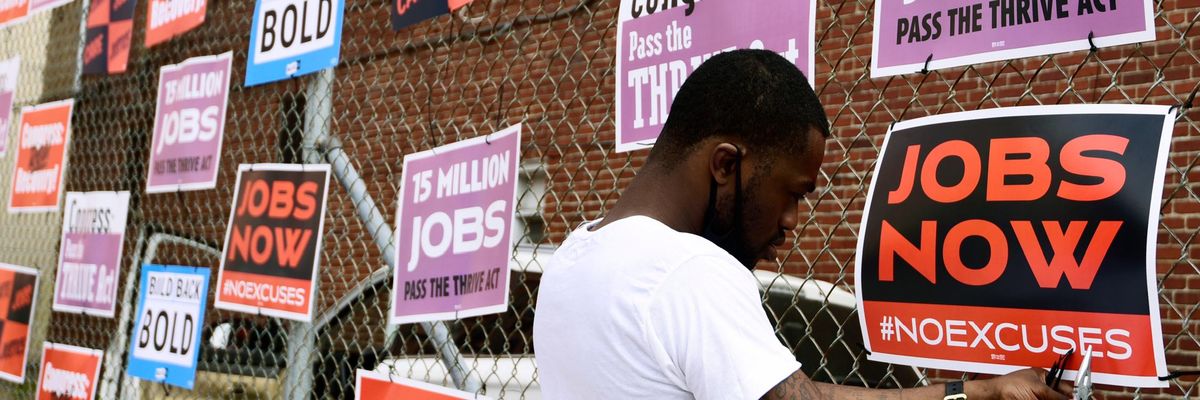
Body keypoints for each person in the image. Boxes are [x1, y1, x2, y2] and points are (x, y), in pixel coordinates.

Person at [532, 49, 1073, 399]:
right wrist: (980, 393)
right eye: (791, 193)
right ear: (725, 165)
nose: (790, 221)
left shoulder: (573, 256)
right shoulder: (687, 271)